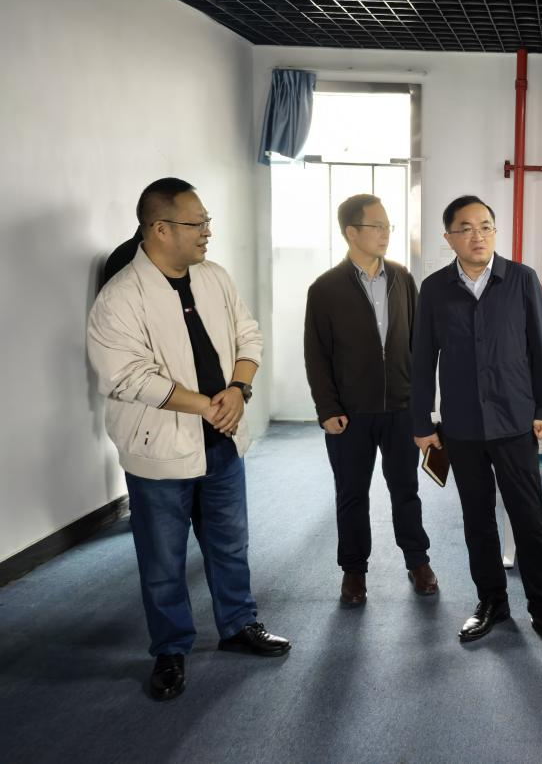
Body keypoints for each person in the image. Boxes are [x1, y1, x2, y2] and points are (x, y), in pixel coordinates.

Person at [87, 177, 290, 702]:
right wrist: (207, 404)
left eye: (207, 222)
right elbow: (127, 377)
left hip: (221, 442)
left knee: (230, 545)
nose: (207, 232)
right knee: (163, 560)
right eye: (197, 223)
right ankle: (170, 649)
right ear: (159, 229)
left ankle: (238, 625)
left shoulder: (214, 277)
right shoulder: (119, 297)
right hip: (158, 450)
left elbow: (248, 334)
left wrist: (239, 390)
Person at [410, 195, 542, 652]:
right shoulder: (434, 289)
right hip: (462, 427)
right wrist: (421, 422)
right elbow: (421, 360)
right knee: (477, 519)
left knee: (529, 519)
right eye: (466, 228)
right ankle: (492, 602)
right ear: (449, 238)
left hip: (514, 423)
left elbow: (541, 348)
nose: (478, 235)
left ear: (495, 231)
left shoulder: (521, 279)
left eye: (485, 226)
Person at [304, 194, 436, 606]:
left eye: (387, 226)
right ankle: (354, 571)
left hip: (401, 409)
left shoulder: (402, 279)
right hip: (350, 413)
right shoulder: (325, 289)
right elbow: (316, 355)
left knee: (406, 489)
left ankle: (418, 561)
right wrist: (327, 409)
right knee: (352, 494)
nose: (385, 234)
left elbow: (419, 346)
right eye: (376, 226)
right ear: (351, 232)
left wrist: (422, 407)